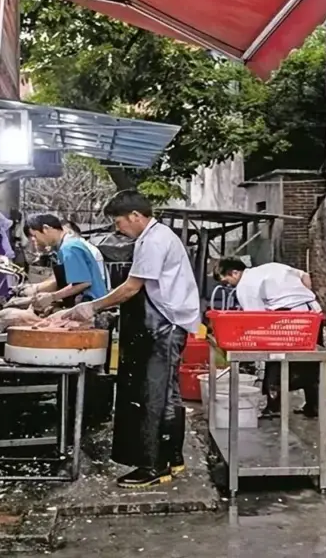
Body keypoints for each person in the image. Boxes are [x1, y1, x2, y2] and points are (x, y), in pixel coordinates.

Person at [55, 190, 200, 488]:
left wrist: (92, 307)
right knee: (167, 394)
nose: (118, 228)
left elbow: (132, 288)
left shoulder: (154, 241)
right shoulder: (155, 237)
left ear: (135, 216)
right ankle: (171, 457)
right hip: (167, 322)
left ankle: (154, 466)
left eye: (119, 221)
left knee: (155, 396)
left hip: (165, 325)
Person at [213, 257, 321, 418]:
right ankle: (313, 406)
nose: (229, 286)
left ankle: (274, 406)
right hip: (313, 315)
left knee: (275, 359)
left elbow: (255, 318)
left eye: (227, 281)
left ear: (235, 273)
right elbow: (305, 276)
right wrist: (299, 298)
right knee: (311, 361)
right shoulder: (270, 267)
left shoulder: (245, 286)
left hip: (291, 320)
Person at [22, 214, 109, 310]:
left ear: (46, 228)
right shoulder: (64, 247)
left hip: (91, 305)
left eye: (35, 236)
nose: (35, 240)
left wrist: (52, 297)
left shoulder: (69, 248)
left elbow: (83, 283)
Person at [61, 219, 111, 290]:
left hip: (94, 291)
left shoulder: (80, 248)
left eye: (64, 233)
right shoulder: (75, 247)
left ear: (71, 233)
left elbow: (83, 282)